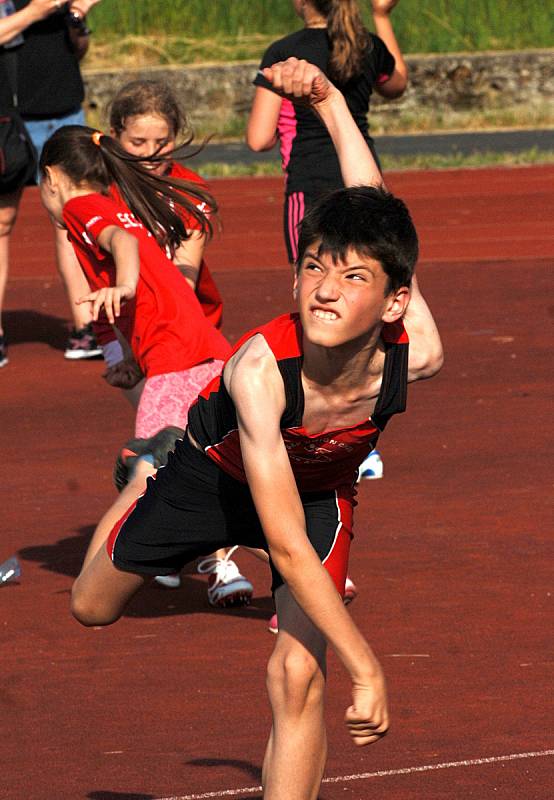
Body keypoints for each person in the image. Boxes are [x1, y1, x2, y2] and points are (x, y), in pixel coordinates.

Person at [70, 58, 443, 799]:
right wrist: (368, 664)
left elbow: (376, 204)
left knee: (298, 675)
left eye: (353, 277)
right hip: (212, 475)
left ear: (397, 302)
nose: (325, 289)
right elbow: (280, 548)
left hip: (318, 490)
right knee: (91, 607)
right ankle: (147, 472)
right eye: (312, 268)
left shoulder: (418, 350)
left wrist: (332, 103)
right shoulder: (257, 371)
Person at [38, 124, 254, 607]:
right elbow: (162, 296)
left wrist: (125, 286)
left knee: (147, 470)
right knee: (221, 471)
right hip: (201, 353)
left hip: (179, 361)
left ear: (52, 177)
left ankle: (88, 591)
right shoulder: (117, 205)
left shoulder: (81, 207)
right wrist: (135, 361)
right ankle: (306, 562)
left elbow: (124, 247)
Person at [247, 0, 408, 481]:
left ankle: (317, 426)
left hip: (309, 191)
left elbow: (257, 138)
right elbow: (397, 84)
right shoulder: (365, 46)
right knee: (365, 302)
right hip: (362, 183)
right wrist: (382, 17)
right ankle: (364, 432)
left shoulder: (284, 53)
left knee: (316, 305)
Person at [0, 0, 102, 368]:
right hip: (8, 118)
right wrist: (36, 11)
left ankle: (86, 325)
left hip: (63, 111)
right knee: (1, 222)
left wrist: (77, 17)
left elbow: (77, 51)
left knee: (72, 219)